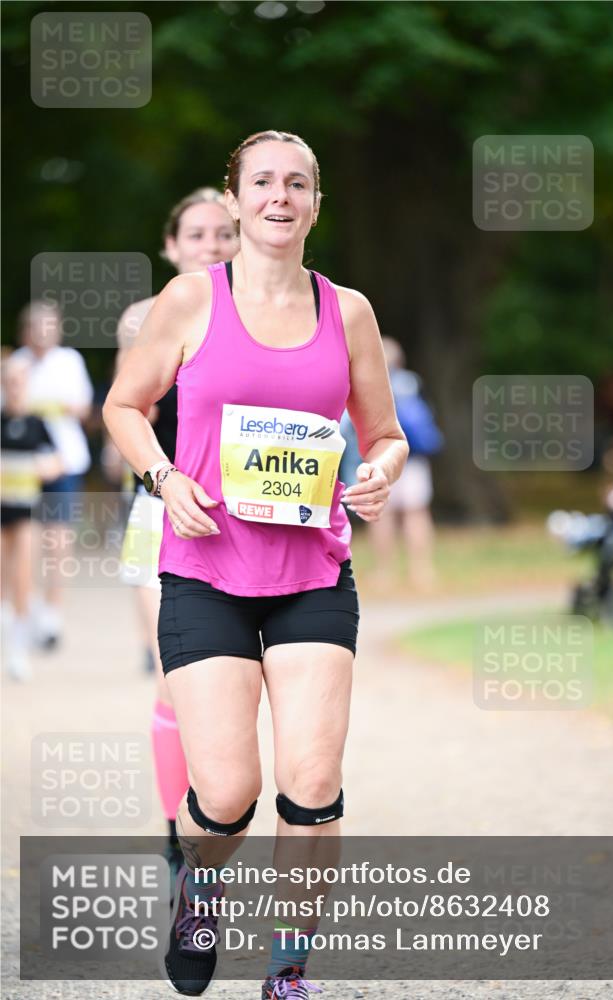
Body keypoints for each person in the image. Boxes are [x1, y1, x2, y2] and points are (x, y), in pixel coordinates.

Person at [103, 129, 408, 999]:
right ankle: (201, 882)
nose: (281, 197)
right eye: (263, 182)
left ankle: (286, 971)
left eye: (298, 184)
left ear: (317, 202)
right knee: (228, 793)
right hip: (205, 572)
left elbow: (385, 437)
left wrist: (378, 477)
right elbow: (127, 405)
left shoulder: (346, 309)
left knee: (312, 782)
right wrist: (163, 476)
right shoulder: (189, 300)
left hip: (313, 572)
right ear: (233, 199)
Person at [115, 187, 239, 889]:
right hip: (160, 510)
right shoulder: (149, 317)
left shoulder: (267, 310)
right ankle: (176, 837)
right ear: (170, 245)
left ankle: (215, 811)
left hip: (240, 514)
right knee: (173, 679)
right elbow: (129, 413)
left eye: (224, 233)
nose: (211, 246)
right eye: (196, 235)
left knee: (225, 684)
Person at [13, 300, 94, 647]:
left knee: (58, 538)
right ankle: (21, 605)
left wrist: (46, 405)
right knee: (20, 540)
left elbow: (81, 408)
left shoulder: (69, 361)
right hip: (22, 466)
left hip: (64, 460)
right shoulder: (16, 364)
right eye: (37, 326)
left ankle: (53, 612)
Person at [1, 353, 63, 680]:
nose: (14, 388)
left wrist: (44, 467)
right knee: (2, 581)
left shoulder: (38, 424)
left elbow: (58, 462)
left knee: (23, 576)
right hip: (1, 510)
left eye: (19, 382)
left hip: (26, 510)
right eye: (9, 382)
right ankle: (8, 635)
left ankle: (18, 650)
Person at [367, 337, 442, 592]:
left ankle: (384, 571)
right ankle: (422, 570)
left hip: (379, 457)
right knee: (416, 513)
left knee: (381, 514)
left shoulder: (368, 383)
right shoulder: (411, 382)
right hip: (413, 458)